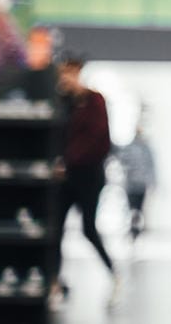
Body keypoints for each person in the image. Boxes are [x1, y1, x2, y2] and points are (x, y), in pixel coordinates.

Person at [55, 52, 118, 304]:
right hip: (63, 178)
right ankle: (55, 284)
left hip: (88, 176)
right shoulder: (62, 101)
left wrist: (68, 161)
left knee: (89, 229)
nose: (66, 77)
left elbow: (100, 140)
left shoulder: (95, 101)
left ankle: (114, 275)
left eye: (70, 72)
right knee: (54, 230)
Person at [115, 125, 155, 239]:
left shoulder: (145, 149)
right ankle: (133, 227)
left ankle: (135, 228)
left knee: (137, 207)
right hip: (132, 183)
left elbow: (150, 165)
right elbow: (122, 160)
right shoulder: (130, 148)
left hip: (139, 184)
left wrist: (151, 180)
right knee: (132, 207)